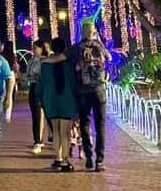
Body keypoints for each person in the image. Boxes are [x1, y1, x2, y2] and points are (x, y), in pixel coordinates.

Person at [46, 20, 110, 171]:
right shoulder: (92, 47)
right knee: (94, 126)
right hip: (93, 91)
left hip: (89, 91)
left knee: (89, 125)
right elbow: (110, 58)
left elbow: (59, 58)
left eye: (90, 29)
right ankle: (95, 159)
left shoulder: (79, 48)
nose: (89, 32)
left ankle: (93, 158)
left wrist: (45, 60)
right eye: (89, 29)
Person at [40, 37, 77, 171]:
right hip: (66, 100)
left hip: (52, 101)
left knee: (55, 131)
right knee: (65, 132)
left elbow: (41, 84)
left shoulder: (46, 65)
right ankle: (66, 160)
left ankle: (58, 157)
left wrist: (42, 100)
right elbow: (74, 83)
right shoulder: (69, 64)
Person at [26, 40, 50, 153]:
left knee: (49, 115)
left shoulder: (46, 60)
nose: (34, 50)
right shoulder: (31, 61)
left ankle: (55, 136)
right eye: (33, 48)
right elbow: (28, 75)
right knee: (36, 116)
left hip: (44, 89)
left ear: (42, 49)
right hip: (34, 88)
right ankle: (37, 141)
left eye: (36, 48)